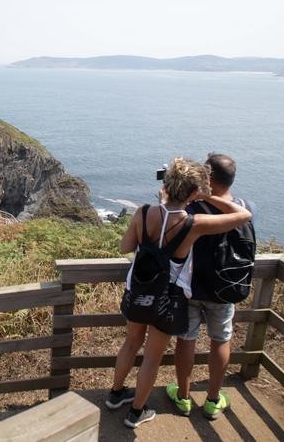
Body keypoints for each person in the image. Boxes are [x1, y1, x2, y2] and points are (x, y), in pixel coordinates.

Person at [106, 157, 251, 429]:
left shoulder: (144, 211)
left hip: (138, 291)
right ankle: (137, 412)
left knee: (130, 343)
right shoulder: (194, 224)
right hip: (167, 300)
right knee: (152, 357)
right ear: (193, 192)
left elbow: (126, 247)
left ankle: (115, 395)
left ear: (167, 184)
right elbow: (244, 216)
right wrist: (207, 196)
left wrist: (161, 206)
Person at [166, 153, 252, 420]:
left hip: (191, 287)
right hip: (225, 289)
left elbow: (170, 217)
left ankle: (183, 397)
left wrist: (196, 195)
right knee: (221, 339)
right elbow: (245, 217)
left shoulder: (192, 208)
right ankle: (214, 399)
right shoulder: (244, 206)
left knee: (187, 339)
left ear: (208, 177)